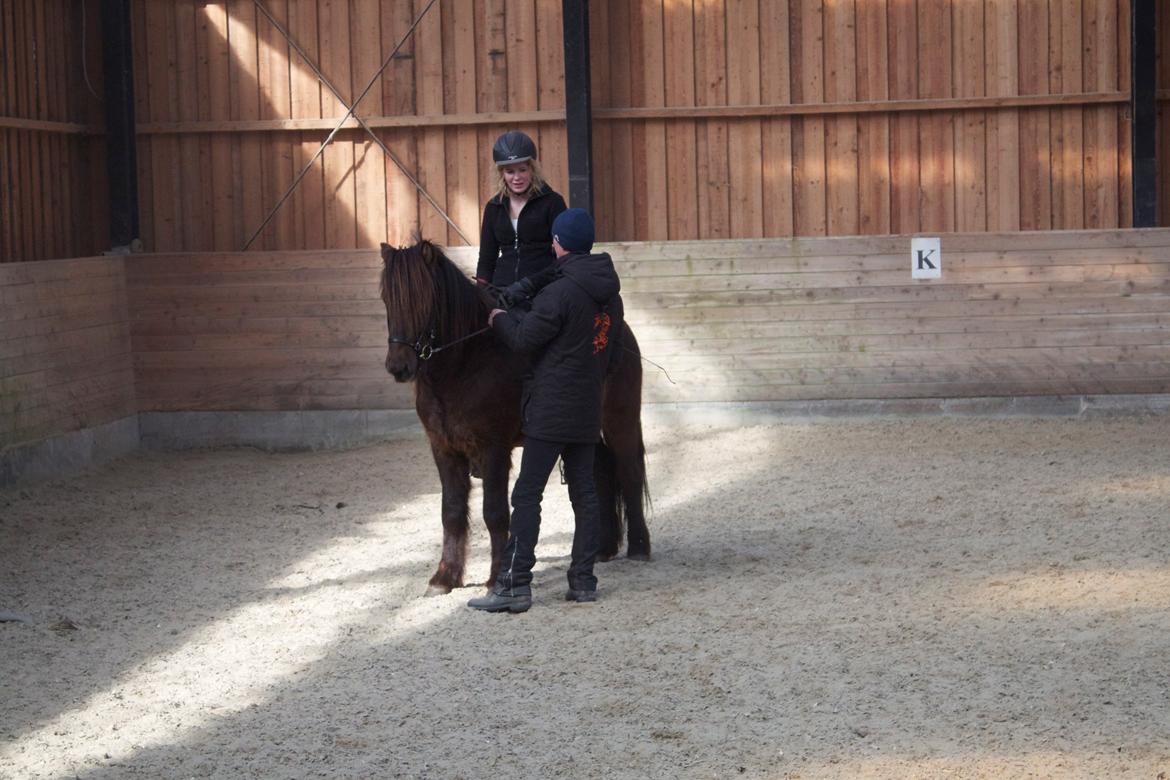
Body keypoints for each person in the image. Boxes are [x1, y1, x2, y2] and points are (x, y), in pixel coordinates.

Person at [468, 208, 621, 614]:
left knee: (527, 495)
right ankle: (583, 580)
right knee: (585, 494)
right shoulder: (610, 295)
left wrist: (499, 318)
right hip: (587, 406)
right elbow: (606, 350)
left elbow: (522, 339)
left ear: (557, 243)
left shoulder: (559, 294)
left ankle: (515, 584)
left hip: (551, 408)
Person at [476, 131, 567, 301]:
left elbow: (564, 257)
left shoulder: (553, 203)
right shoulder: (493, 208)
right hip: (502, 291)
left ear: (532, 170)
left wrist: (530, 284)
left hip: (542, 289)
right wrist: (480, 293)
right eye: (510, 172)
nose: (517, 177)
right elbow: (487, 258)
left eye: (522, 170)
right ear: (501, 173)